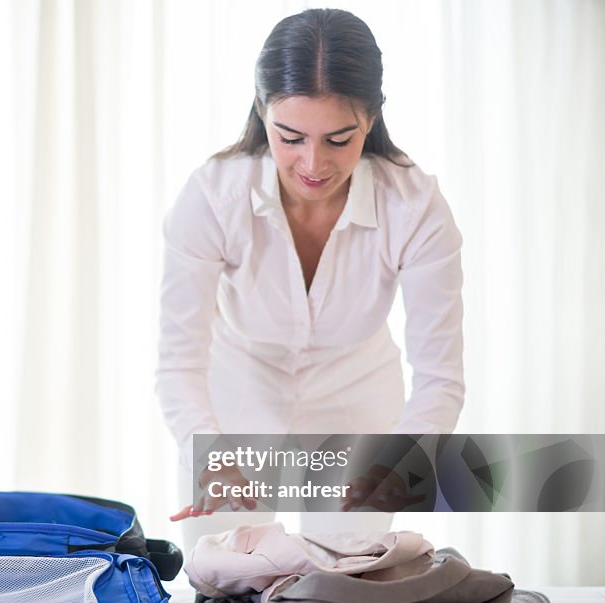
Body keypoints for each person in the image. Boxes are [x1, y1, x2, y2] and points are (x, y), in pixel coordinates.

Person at [155, 8, 464, 551]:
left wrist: (402, 460)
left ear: (370, 119)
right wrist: (211, 452)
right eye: (290, 137)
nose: (313, 164)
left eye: (339, 139)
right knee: (228, 587)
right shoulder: (212, 196)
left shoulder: (414, 206)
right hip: (235, 400)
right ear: (262, 111)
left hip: (358, 405)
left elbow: (440, 377)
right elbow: (179, 361)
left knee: (342, 585)